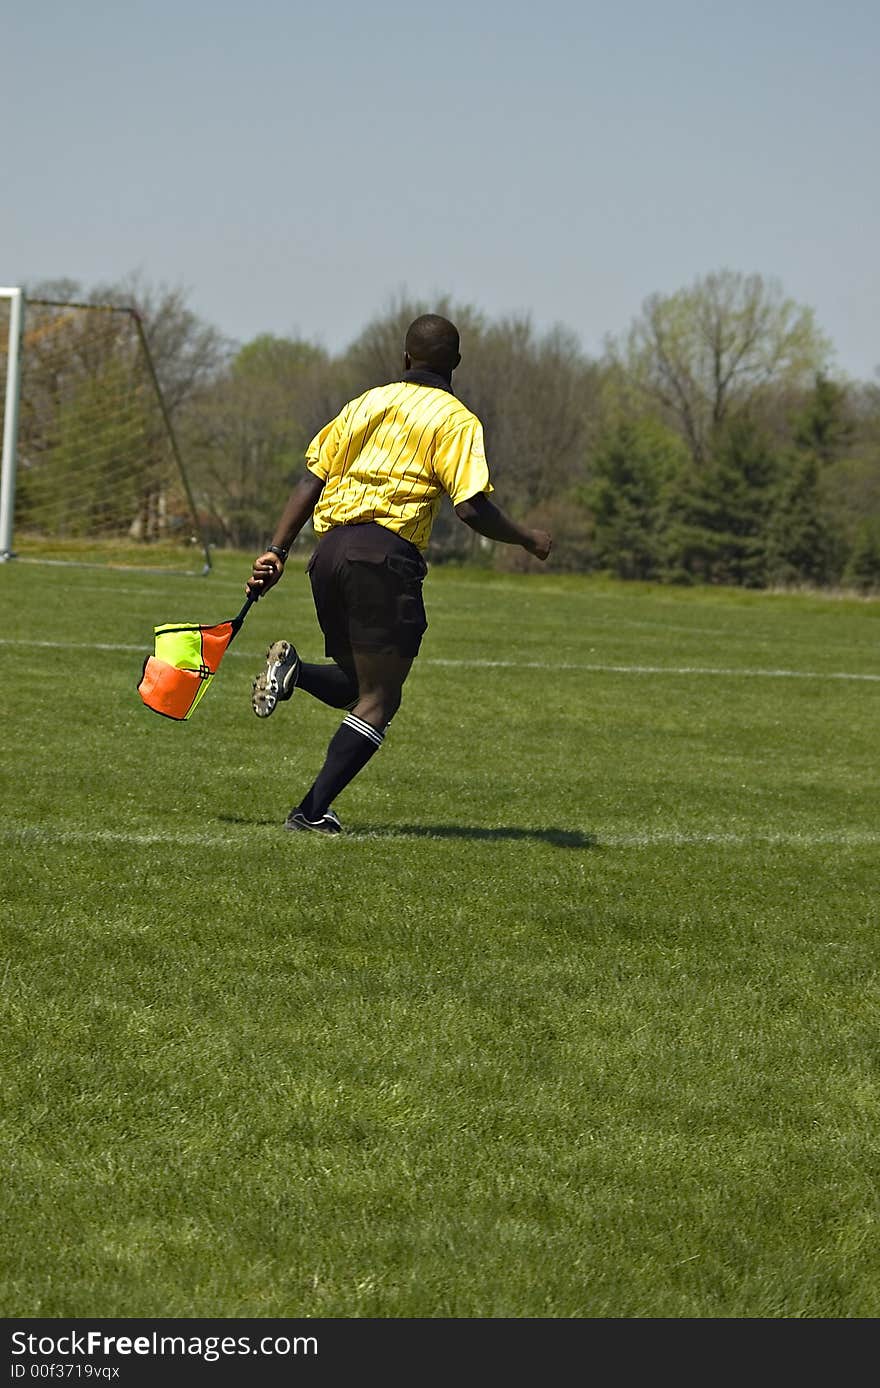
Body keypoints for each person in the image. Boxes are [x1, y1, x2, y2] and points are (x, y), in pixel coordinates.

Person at [246, 313, 552, 835]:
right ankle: (312, 812)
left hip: (329, 553)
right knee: (382, 697)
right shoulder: (456, 420)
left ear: (405, 359)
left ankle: (294, 670)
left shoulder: (365, 402)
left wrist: (277, 550)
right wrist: (527, 537)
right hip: (383, 555)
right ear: (456, 363)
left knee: (354, 684)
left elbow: (310, 480)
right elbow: (472, 509)